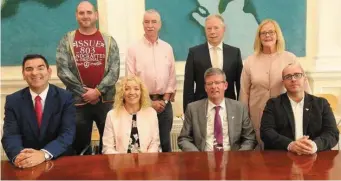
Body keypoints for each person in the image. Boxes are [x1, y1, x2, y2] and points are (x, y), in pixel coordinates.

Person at [56, 0, 120, 154]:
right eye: (81, 13)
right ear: (76, 16)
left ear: (96, 15)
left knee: (110, 145)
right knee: (79, 146)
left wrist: (97, 91)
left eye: (89, 12)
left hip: (106, 101)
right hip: (78, 102)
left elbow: (114, 70)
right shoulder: (67, 40)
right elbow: (62, 70)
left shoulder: (109, 40)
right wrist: (85, 93)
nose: (85, 16)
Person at [239, 19, 311, 145]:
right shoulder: (249, 61)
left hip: (285, 115)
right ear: (259, 37)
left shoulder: (290, 58)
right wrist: (244, 119)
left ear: (277, 35)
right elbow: (244, 93)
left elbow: (303, 86)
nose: (267, 35)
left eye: (271, 32)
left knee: (285, 150)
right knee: (261, 156)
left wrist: (310, 112)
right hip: (258, 116)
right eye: (263, 33)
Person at [1, 54, 76, 168]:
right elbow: (11, 135)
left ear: (49, 72)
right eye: (29, 69)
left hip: (58, 160)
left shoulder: (65, 98)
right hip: (26, 163)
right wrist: (19, 157)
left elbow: (67, 134)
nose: (35, 73)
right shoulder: (13, 101)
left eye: (40, 68)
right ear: (23, 75)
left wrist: (43, 154)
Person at [125, 9, 176, 152]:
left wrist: (164, 101)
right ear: (142, 24)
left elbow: (172, 78)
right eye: (146, 22)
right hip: (141, 104)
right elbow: (131, 80)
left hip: (164, 106)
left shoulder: (167, 48)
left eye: (154, 22)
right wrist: (149, 103)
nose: (150, 25)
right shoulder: (133, 49)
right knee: (145, 145)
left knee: (165, 145)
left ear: (159, 25)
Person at [260, 63, 339, 154]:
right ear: (283, 82)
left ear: (305, 78)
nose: (293, 79)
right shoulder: (273, 104)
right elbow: (266, 132)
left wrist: (314, 145)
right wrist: (290, 145)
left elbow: (332, 133)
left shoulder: (321, 104)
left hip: (315, 156)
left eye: (297, 75)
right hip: (283, 157)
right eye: (288, 77)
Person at [178, 68, 256, 151]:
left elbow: (250, 138)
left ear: (225, 85)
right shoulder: (193, 109)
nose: (213, 86)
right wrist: (197, 156)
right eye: (209, 83)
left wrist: (238, 157)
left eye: (217, 82)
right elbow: (184, 139)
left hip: (232, 158)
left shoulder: (239, 108)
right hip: (203, 158)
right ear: (205, 87)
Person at [183, 14, 243, 112]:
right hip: (201, 108)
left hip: (229, 107)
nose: (212, 32)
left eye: (216, 28)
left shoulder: (234, 52)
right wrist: (187, 111)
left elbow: (240, 85)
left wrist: (241, 109)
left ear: (224, 29)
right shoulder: (194, 53)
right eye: (209, 28)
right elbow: (188, 86)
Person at [102, 76, 160, 154]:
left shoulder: (151, 113)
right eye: (127, 89)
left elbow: (155, 144)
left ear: (141, 92)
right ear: (122, 93)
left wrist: (147, 160)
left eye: (136, 89)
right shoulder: (111, 115)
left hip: (147, 163)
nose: (132, 92)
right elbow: (107, 147)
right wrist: (122, 162)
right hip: (120, 164)